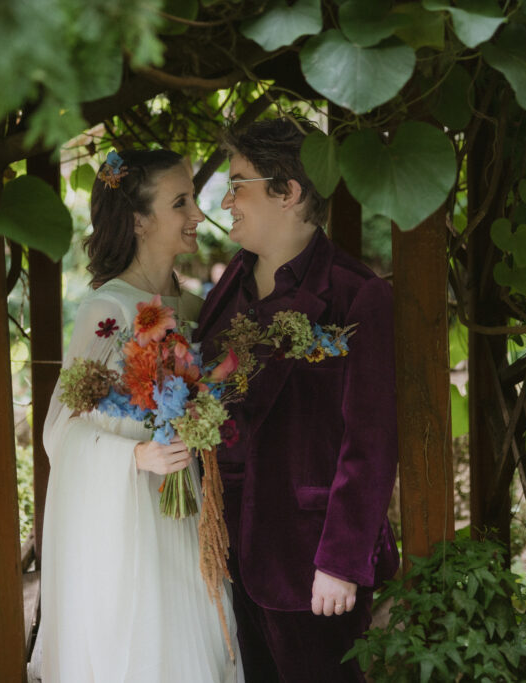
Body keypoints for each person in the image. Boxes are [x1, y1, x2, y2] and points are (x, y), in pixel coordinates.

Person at [195, 118, 399, 683]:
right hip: (225, 556)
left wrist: (340, 562)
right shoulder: (227, 288)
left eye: (239, 183)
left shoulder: (357, 296)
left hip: (311, 562)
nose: (227, 199)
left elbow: (372, 444)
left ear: (288, 191)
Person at [37, 149, 241, 682]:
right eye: (181, 202)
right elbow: (59, 431)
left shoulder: (194, 306)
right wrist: (135, 455)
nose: (199, 215)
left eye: (194, 199)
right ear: (138, 220)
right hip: (133, 522)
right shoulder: (110, 311)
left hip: (189, 509)